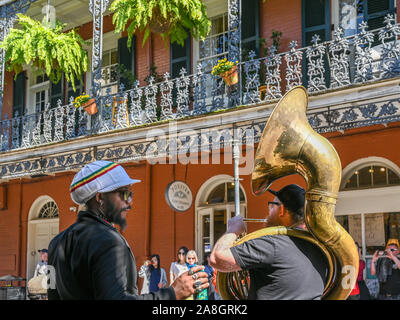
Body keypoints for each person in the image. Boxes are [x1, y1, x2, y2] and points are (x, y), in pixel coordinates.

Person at [48, 160, 208, 300]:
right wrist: (173, 293)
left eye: (130, 194)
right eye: (124, 194)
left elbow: (53, 295)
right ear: (100, 198)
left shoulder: (56, 243)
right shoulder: (108, 241)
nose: (130, 201)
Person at [210, 184, 328, 300]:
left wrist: (233, 229)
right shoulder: (319, 247)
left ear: (281, 209)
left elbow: (217, 259)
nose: (268, 213)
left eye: (271, 206)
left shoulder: (273, 244)